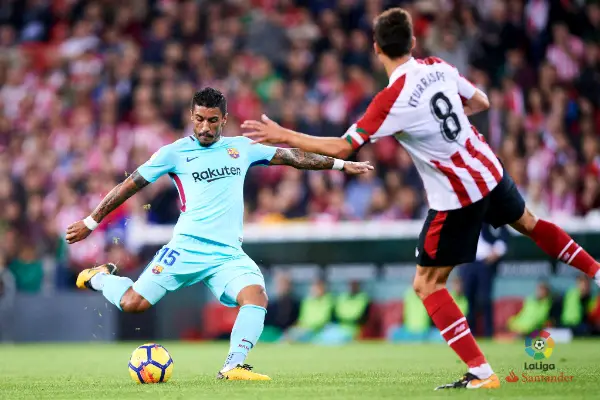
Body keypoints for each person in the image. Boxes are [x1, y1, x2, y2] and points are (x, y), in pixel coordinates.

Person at [241, 8, 600, 390]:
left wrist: (285, 135)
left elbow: (344, 147)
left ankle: (481, 371)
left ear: (376, 48)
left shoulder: (390, 99)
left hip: (457, 195)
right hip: (488, 169)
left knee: (427, 285)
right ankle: (596, 271)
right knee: (530, 224)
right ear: (413, 42)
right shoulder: (437, 67)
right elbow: (481, 102)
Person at [65, 87, 373, 381]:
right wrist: (91, 222)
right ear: (191, 116)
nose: (205, 127)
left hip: (227, 254)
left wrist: (340, 165)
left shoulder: (241, 148)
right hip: (186, 248)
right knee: (133, 303)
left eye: (213, 120)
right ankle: (100, 277)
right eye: (200, 119)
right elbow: (129, 185)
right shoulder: (174, 153)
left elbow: (292, 156)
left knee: (256, 295)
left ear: (224, 119)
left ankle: (233, 365)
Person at [460, 223, 508, 337]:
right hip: (469, 262)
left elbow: (504, 233)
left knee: (485, 298)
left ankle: (488, 332)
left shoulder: (489, 217)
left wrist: (497, 252)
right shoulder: (463, 218)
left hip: (485, 262)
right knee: (468, 298)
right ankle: (469, 333)